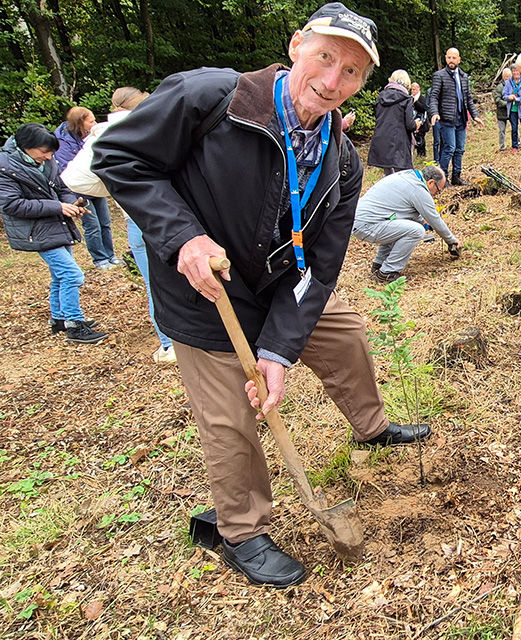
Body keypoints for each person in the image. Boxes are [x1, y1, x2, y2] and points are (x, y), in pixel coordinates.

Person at [93, 3, 432, 588]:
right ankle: (241, 531)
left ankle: (370, 426)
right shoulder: (213, 98)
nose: (332, 81)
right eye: (325, 57)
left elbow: (320, 268)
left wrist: (277, 351)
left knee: (344, 331)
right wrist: (182, 237)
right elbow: (119, 157)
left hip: (278, 287)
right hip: (206, 289)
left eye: (351, 72)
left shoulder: (341, 160)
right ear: (298, 44)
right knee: (232, 418)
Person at [61, 87, 176, 364]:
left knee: (164, 282)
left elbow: (76, 179)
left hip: (157, 216)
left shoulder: (126, 130)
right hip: (153, 217)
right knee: (165, 282)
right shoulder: (119, 131)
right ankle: (171, 343)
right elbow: (75, 179)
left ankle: (174, 343)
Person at [0, 124, 108, 344]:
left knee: (60, 276)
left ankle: (59, 319)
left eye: (51, 152)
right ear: (26, 147)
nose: (48, 156)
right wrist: (57, 207)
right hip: (35, 230)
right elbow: (11, 205)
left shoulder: (47, 161)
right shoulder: (5, 167)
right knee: (72, 275)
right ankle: (74, 324)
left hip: (57, 225)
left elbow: (62, 188)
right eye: (43, 152)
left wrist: (72, 203)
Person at [351, 166, 459, 282]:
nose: (436, 194)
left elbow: (407, 211)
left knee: (398, 227)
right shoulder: (417, 188)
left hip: (361, 220)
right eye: (438, 190)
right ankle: (387, 272)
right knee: (416, 231)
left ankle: (379, 264)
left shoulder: (409, 177)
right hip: (367, 225)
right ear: (431, 182)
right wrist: (452, 241)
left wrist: (425, 223)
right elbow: (434, 218)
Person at [53, 107, 120, 270]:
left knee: (105, 223)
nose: (95, 123)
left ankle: (111, 255)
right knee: (92, 225)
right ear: (79, 123)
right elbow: (66, 169)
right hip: (78, 191)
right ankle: (100, 259)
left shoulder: (92, 135)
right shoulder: (64, 142)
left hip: (96, 185)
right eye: (91, 121)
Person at [428, 47, 480, 186]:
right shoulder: (440, 76)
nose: (451, 60)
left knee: (460, 149)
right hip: (446, 118)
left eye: (454, 58)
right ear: (446, 58)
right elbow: (434, 97)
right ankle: (443, 178)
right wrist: (434, 113)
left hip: (461, 118)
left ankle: (457, 176)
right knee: (449, 147)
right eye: (449, 57)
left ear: (459, 59)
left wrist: (475, 115)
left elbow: (468, 98)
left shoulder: (463, 76)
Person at [368, 69, 417, 175]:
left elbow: (378, 117)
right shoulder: (406, 99)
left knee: (388, 176)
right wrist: (416, 124)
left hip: (382, 140)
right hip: (400, 143)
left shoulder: (380, 97)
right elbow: (410, 125)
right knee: (403, 176)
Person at [502, 64, 521, 151]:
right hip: (512, 109)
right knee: (514, 128)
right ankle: (514, 145)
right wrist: (509, 97)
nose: (515, 73)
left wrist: (517, 99)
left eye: (517, 71)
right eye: (514, 71)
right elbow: (504, 95)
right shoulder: (508, 82)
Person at [494, 68, 511, 151]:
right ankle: (502, 146)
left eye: (510, 76)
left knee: (515, 128)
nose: (508, 78)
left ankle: (516, 143)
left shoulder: (512, 85)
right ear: (503, 77)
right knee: (502, 131)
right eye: (507, 76)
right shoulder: (499, 87)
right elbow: (497, 100)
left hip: (511, 112)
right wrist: (507, 104)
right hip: (502, 113)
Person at [411, 82, 429, 157]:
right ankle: (418, 153)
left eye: (414, 89)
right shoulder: (411, 97)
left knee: (421, 138)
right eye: (411, 89)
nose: (412, 91)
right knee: (415, 137)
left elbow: (424, 109)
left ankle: (422, 153)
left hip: (422, 121)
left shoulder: (421, 98)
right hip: (414, 120)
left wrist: (416, 102)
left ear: (418, 89)